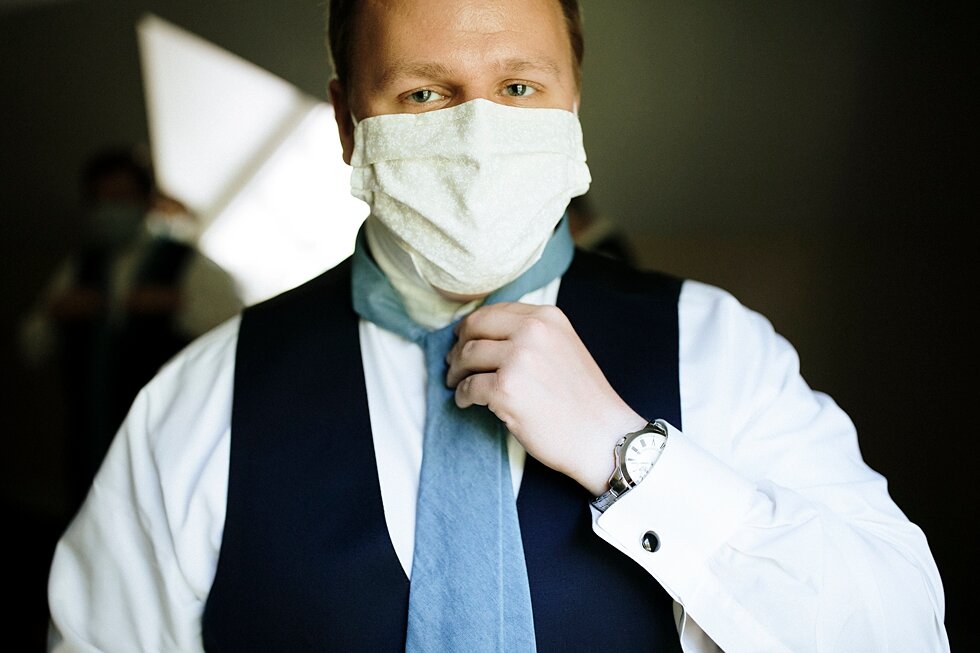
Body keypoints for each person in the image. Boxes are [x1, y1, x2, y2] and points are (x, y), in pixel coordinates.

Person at [47, 1, 948, 651]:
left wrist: (632, 455)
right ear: (345, 123)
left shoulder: (719, 346)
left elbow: (900, 633)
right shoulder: (204, 397)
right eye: (424, 96)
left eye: (518, 85)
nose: (479, 134)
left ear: (572, 106)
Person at [22, 147, 242, 510]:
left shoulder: (186, 263)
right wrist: (57, 311)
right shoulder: (81, 266)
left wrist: (178, 306)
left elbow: (233, 332)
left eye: (121, 198)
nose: (112, 209)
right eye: (102, 200)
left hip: (167, 440)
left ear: (144, 200)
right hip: (93, 433)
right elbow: (31, 344)